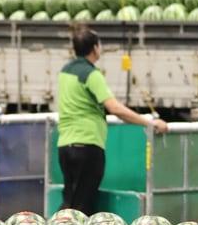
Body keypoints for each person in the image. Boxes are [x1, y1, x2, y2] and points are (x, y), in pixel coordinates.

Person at [57, 24, 168, 215]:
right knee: (82, 208)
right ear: (95, 48)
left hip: (65, 146)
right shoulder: (91, 74)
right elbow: (115, 108)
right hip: (87, 145)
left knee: (70, 203)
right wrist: (149, 122)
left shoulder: (65, 71)